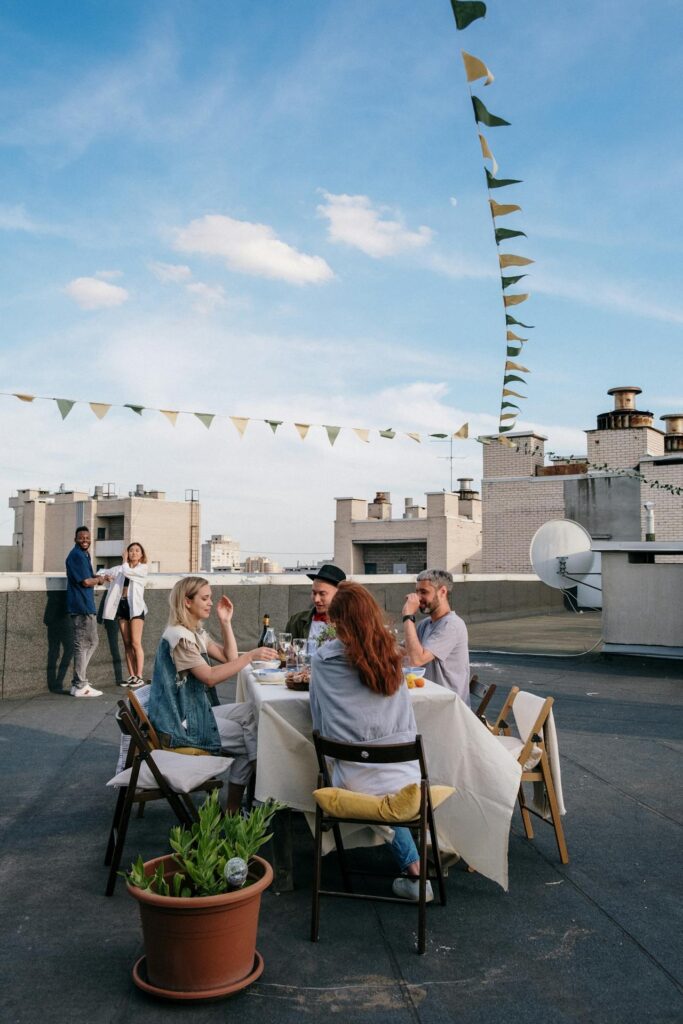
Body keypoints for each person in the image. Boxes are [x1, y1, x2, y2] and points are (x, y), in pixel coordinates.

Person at [309, 580, 432, 902]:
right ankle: (421, 865)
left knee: (354, 772)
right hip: (404, 770)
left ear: (337, 622)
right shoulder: (392, 655)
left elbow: (318, 720)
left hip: (350, 773)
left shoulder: (323, 659)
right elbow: (407, 719)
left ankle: (415, 868)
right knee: (392, 778)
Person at [147, 576, 278, 814]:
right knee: (251, 738)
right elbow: (209, 676)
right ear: (187, 602)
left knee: (252, 713)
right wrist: (250, 656)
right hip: (180, 726)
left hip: (191, 712)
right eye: (205, 598)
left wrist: (225, 622)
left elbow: (229, 658)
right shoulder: (180, 638)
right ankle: (243, 805)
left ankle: (245, 803)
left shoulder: (193, 632)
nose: (210, 603)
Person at [401, 569, 470, 705]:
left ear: (442, 592)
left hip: (448, 707)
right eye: (417, 591)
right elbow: (402, 650)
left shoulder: (451, 625)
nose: (419, 597)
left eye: (424, 592)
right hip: (430, 699)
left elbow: (416, 660)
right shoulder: (426, 624)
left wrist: (408, 616)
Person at [99, 542, 149, 689]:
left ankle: (139, 675)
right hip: (122, 607)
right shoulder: (121, 568)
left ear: (141, 555)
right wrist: (104, 577)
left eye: (136, 551)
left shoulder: (142, 568)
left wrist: (124, 561)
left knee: (135, 642)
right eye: (131, 550)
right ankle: (132, 675)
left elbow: (127, 572)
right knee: (127, 644)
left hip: (136, 608)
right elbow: (103, 571)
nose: (133, 553)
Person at [65, 526, 107, 697]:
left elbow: (89, 577)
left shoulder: (83, 555)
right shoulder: (76, 555)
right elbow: (86, 582)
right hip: (81, 605)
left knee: (90, 642)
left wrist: (100, 577)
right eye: (81, 538)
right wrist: (100, 579)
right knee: (84, 643)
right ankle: (80, 684)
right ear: (75, 539)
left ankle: (78, 682)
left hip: (83, 604)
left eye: (87, 538)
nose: (84, 540)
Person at [285, 564, 346, 643]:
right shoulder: (296, 621)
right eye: (314, 593)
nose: (316, 599)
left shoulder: (350, 624)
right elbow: (283, 651)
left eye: (322, 594)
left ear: (339, 594)